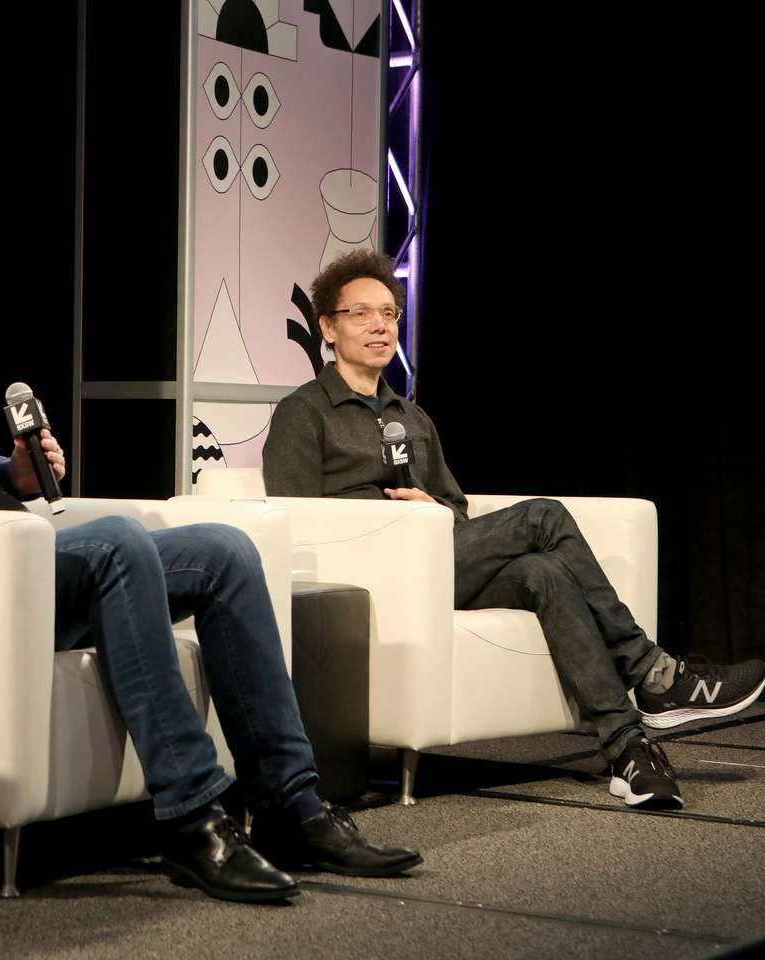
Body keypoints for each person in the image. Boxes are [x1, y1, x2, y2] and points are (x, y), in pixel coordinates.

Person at [0, 198, 423, 903]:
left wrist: (7, 469)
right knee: (114, 544)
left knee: (226, 551)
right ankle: (194, 822)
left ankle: (292, 805)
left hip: (10, 560)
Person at [261, 248, 765, 810]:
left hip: (434, 563)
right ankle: (649, 670)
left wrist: (429, 508)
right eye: (362, 314)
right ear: (328, 326)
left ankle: (628, 751)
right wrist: (390, 521)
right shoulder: (302, 412)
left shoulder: (412, 416)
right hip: (366, 579)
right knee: (543, 515)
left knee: (542, 570)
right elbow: (295, 520)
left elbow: (455, 511)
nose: (381, 325)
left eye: (390, 313)